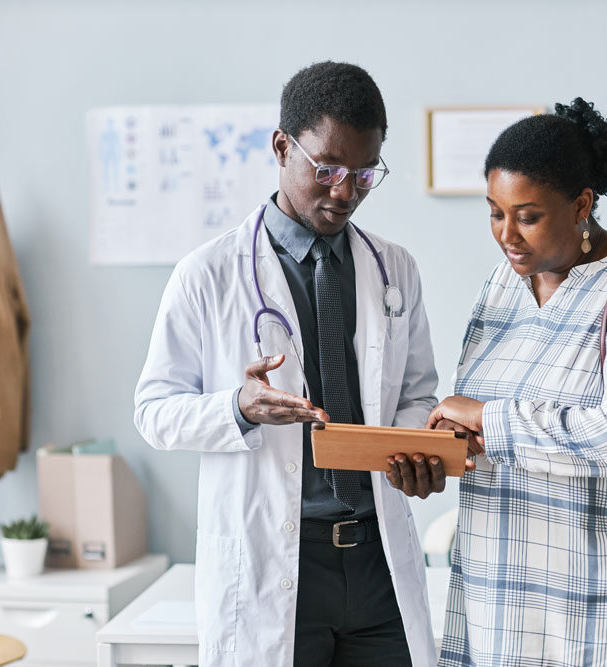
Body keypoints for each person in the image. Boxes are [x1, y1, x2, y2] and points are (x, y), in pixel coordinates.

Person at [391, 98, 607, 666]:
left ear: (582, 205)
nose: (506, 235)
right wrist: (445, 451)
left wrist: (486, 419)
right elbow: (490, 436)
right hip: (502, 606)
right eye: (495, 212)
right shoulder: (501, 288)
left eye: (528, 215)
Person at [135, 61, 438, 667]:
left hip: (378, 560)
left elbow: (418, 393)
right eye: (327, 169)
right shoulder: (207, 274)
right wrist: (236, 409)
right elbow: (154, 412)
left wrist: (415, 445)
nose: (345, 191)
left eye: (364, 174)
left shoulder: (393, 268)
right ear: (282, 147)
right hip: (276, 560)